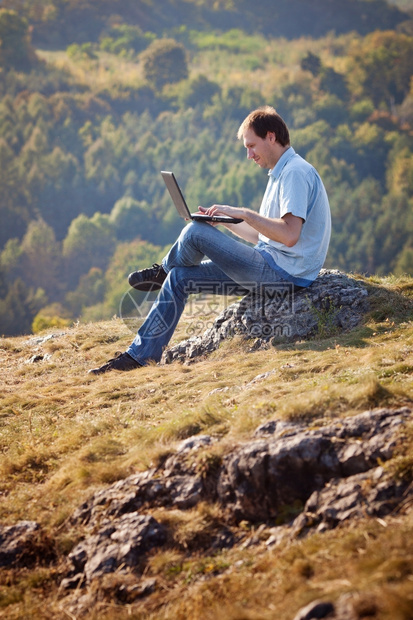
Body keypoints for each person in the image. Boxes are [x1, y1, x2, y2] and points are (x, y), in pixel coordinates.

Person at [88, 105, 331, 375]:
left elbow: (288, 235)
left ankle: (162, 270)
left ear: (271, 137)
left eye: (252, 146)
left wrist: (244, 213)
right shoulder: (280, 174)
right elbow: (265, 237)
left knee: (194, 232)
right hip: (271, 267)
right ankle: (139, 356)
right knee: (180, 277)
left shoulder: (295, 172)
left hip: (284, 275)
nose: (249, 155)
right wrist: (226, 224)